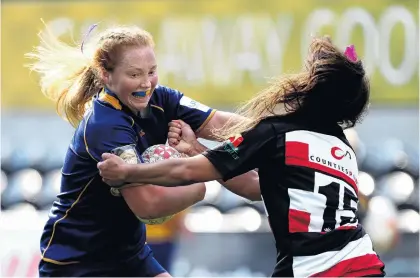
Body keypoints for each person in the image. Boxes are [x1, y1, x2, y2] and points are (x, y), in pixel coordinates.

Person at [98, 37, 386, 277]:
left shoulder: (276, 133)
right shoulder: (343, 148)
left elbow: (187, 173)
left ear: (312, 91)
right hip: (367, 265)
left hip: (313, 271)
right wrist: (198, 148)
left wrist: (127, 173)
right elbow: (254, 187)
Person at [26, 24, 259, 276]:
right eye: (134, 74)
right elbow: (148, 206)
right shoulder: (105, 125)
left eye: (152, 71)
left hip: (130, 255)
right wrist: (199, 187)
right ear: (106, 75)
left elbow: (225, 126)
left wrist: (280, 135)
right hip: (79, 262)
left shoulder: (162, 99)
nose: (146, 83)